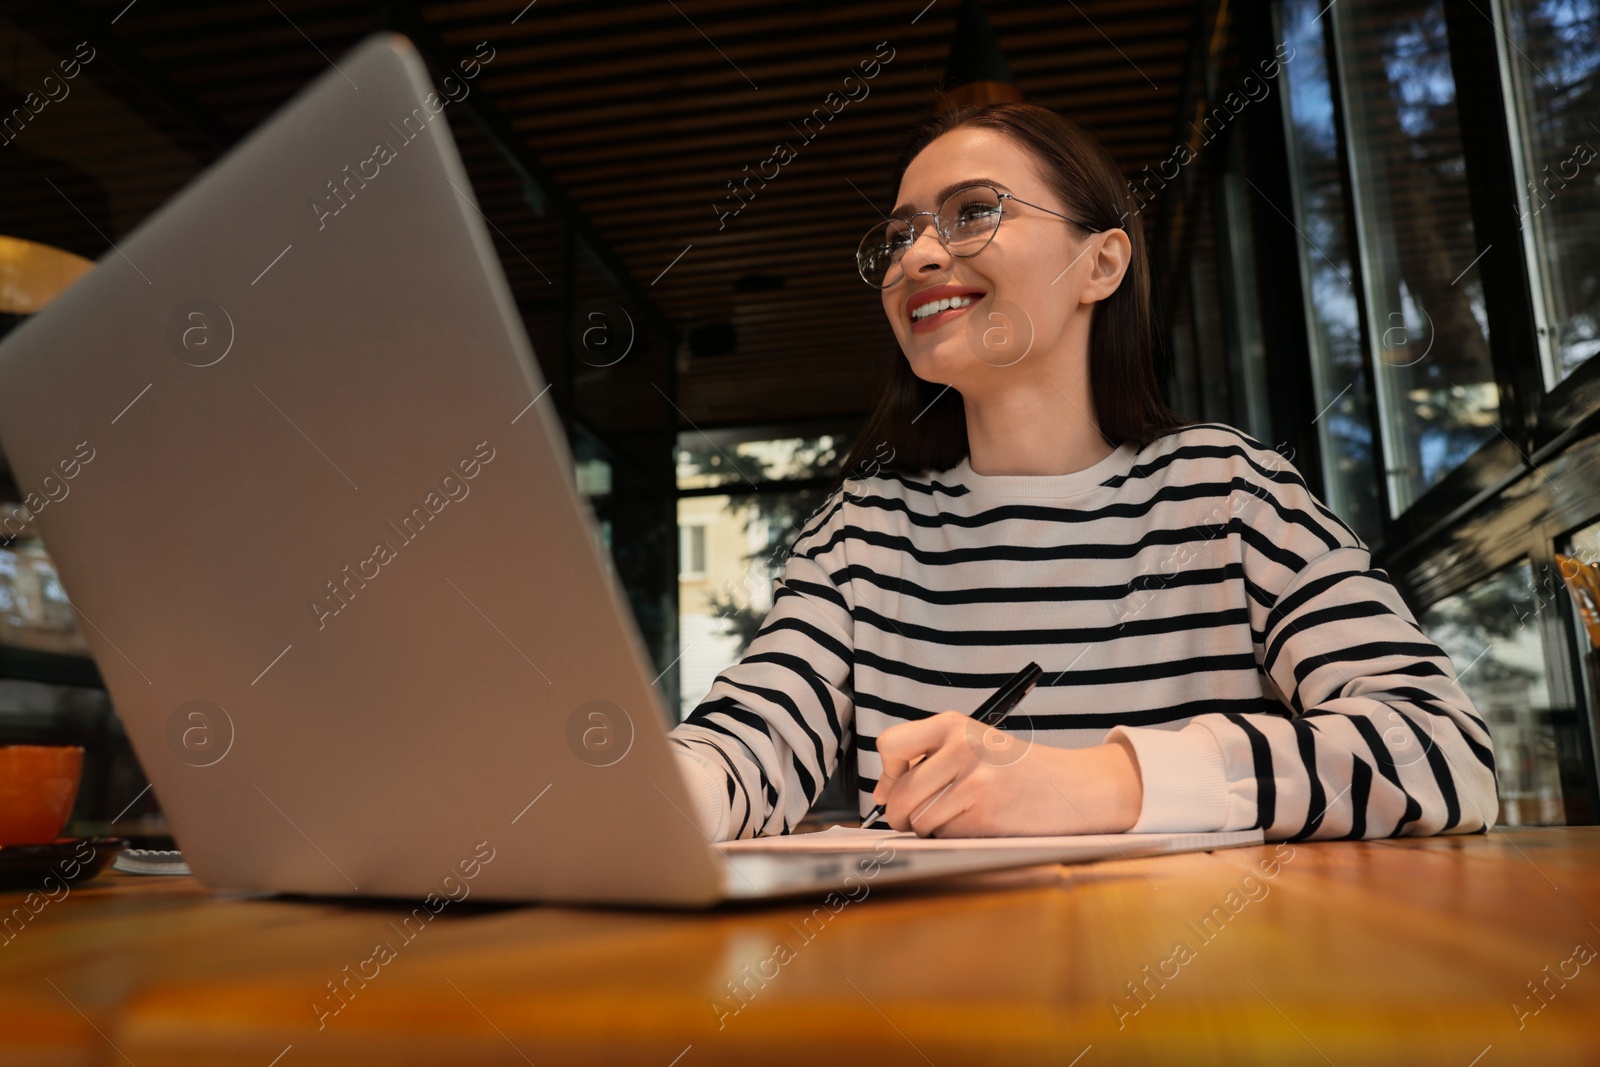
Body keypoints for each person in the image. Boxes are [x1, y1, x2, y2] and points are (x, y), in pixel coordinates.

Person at [668, 102, 1498, 843]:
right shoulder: (862, 533)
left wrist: (1091, 782)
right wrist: (630, 798)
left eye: (972, 213)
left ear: (1100, 265)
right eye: (899, 234)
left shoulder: (1228, 491)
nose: (916, 255)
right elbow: (746, 747)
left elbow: (1441, 748)